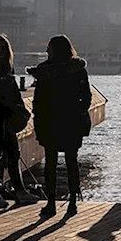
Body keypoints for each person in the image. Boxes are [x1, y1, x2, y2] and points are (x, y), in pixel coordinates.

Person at [27, 35, 92, 218]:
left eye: (49, 47)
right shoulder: (78, 70)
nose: (47, 51)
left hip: (50, 121)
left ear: (55, 49)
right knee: (72, 162)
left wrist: (38, 119)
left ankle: (51, 202)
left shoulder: (44, 71)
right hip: (71, 121)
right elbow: (86, 96)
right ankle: (72, 202)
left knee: (51, 163)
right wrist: (78, 110)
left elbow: (38, 100)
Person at [0, 35, 39, 209]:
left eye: (3, 49)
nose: (0, 51)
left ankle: (19, 190)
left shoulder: (7, 70)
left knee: (14, 154)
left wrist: (18, 108)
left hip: (8, 118)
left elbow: (14, 94)